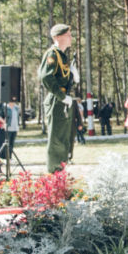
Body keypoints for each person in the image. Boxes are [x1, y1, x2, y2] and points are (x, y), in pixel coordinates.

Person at [38, 24, 77, 173]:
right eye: (68, 34)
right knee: (55, 138)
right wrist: (61, 97)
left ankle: (61, 170)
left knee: (64, 137)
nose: (70, 37)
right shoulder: (52, 54)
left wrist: (73, 75)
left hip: (63, 99)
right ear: (57, 37)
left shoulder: (62, 56)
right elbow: (46, 77)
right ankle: (54, 173)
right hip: (57, 99)